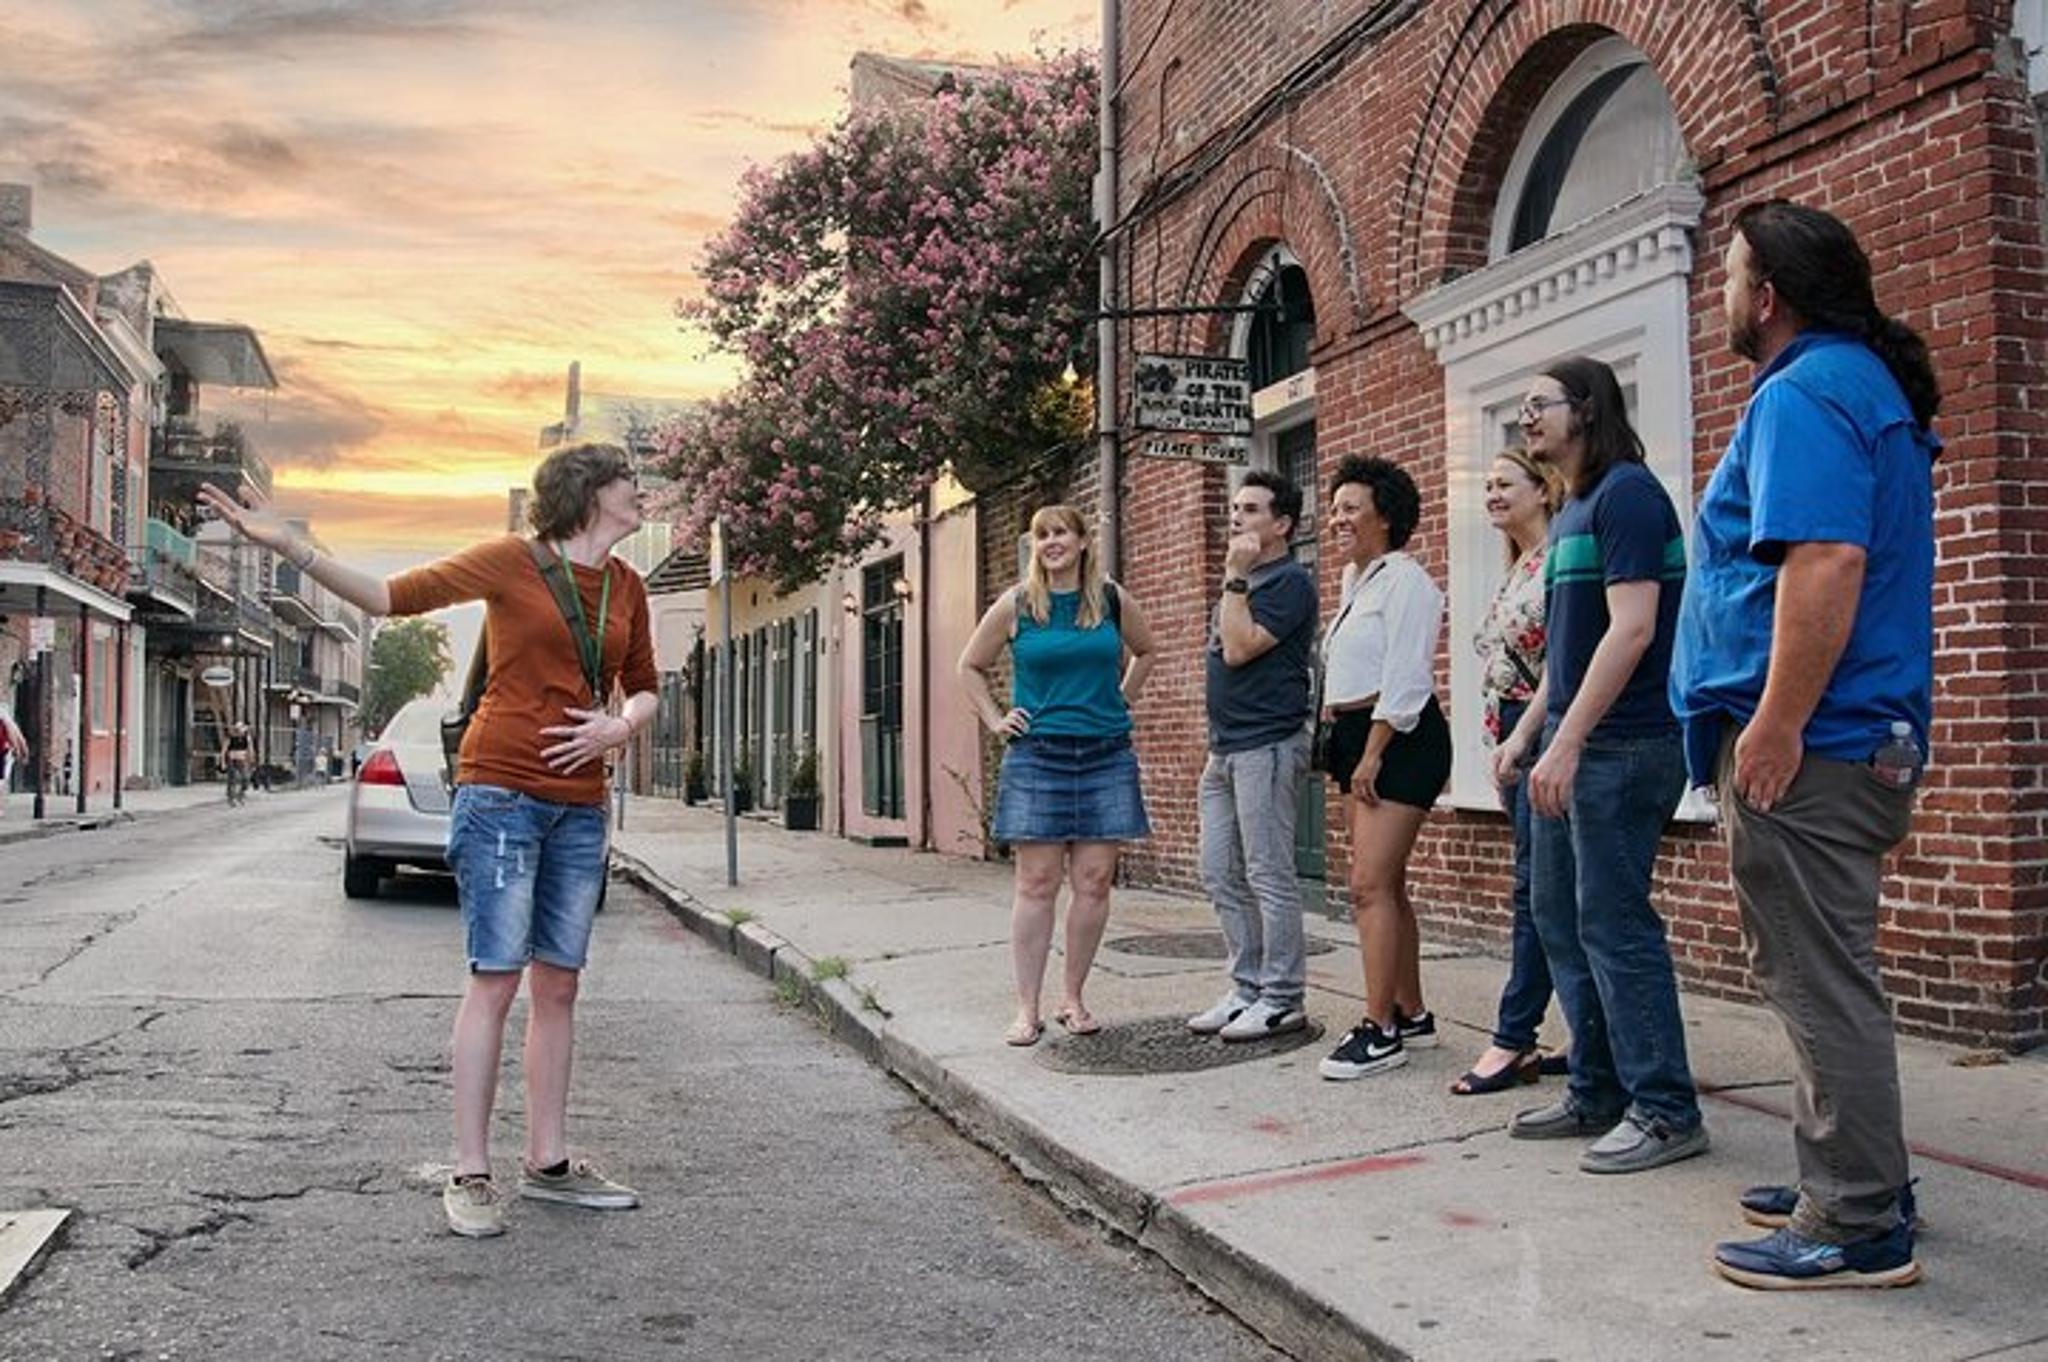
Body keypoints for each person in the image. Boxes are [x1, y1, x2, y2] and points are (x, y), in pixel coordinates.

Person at [199, 440, 659, 1240]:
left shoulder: (627, 585)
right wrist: (292, 548)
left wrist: (619, 727)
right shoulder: (511, 561)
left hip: (582, 805)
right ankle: (471, 1172)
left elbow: (645, 685)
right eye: (630, 481)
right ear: (590, 493)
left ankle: (548, 1163)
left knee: (559, 985)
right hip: (501, 794)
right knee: (497, 979)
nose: (642, 493)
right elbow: (389, 597)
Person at [1674, 201, 1939, 1290]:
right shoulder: (1852, 385)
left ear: (1768, 295)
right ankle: (1850, 1170)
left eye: (1731, 275)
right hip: (1847, 735)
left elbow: (1825, 560)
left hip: (1813, 741)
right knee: (1816, 971)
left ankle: (1857, 1219)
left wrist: (1775, 724)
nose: (1722, 295)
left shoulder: (1804, 389)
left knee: (1815, 978)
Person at [1491, 356, 1706, 1173]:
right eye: (1521, 406)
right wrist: (1529, 734)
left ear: (1586, 408)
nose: (1526, 418)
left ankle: (1667, 1110)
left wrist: (1570, 740)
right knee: (1559, 917)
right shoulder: (1575, 506)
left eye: (1539, 404)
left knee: (1615, 925)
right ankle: (1598, 1089)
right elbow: (1571, 650)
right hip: (1573, 741)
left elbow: (1634, 629)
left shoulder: (1628, 495)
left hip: (1626, 745)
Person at [958, 505, 1156, 1046]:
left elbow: (1146, 651)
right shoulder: (1019, 604)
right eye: (1042, 535)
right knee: (1037, 883)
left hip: (1106, 755)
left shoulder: (1110, 599)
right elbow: (969, 665)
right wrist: (996, 719)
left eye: (1061, 532)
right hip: (1037, 756)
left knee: (1093, 882)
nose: (1051, 542)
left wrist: (1121, 699)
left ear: (1083, 540)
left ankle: (1073, 998)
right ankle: (1027, 1009)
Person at [1314, 457, 1451, 1080]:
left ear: (1386, 516)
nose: (1337, 518)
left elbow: (1406, 676)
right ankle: (1410, 1012)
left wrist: (1372, 751)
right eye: (1334, 508)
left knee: (1367, 886)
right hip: (1354, 736)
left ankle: (1380, 1031)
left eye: (1350, 507)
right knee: (1387, 884)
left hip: (1398, 737)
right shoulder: (1356, 580)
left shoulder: (1407, 582)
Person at [1452, 446, 1570, 1095]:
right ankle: (1584, 1030)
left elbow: (1565, 662)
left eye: (1505, 483)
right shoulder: (1519, 565)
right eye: (1488, 484)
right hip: (1510, 740)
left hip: (1539, 734)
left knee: (1537, 892)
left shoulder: (1557, 560)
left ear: (1543, 488)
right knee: (1549, 891)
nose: (1492, 493)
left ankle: (1514, 1034)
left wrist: (1525, 738)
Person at [1186, 470, 1318, 1043]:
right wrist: (1235, 579)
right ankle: (1247, 988)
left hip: (1267, 744)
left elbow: (1239, 650)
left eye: (1251, 509)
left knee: (1267, 872)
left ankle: (1283, 997)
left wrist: (1235, 577)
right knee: (1219, 871)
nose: (1236, 516)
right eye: (1235, 507)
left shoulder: (1290, 582)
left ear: (1282, 524)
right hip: (1224, 749)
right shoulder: (1242, 581)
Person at [0, 698, 26, 818]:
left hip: (2, 751)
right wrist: (20, 750)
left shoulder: (2, 714)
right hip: (2, 751)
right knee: (1, 781)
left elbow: (13, 732)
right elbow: (14, 732)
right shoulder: (3, 713)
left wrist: (19, 749)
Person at [222, 720, 253, 806]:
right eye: (238, 729)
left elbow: (250, 748)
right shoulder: (230, 737)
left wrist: (251, 758)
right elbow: (224, 750)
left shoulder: (246, 738)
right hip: (232, 760)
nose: (240, 731)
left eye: (241, 728)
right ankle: (231, 798)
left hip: (242, 760)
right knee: (232, 779)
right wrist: (223, 762)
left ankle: (240, 794)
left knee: (246, 778)